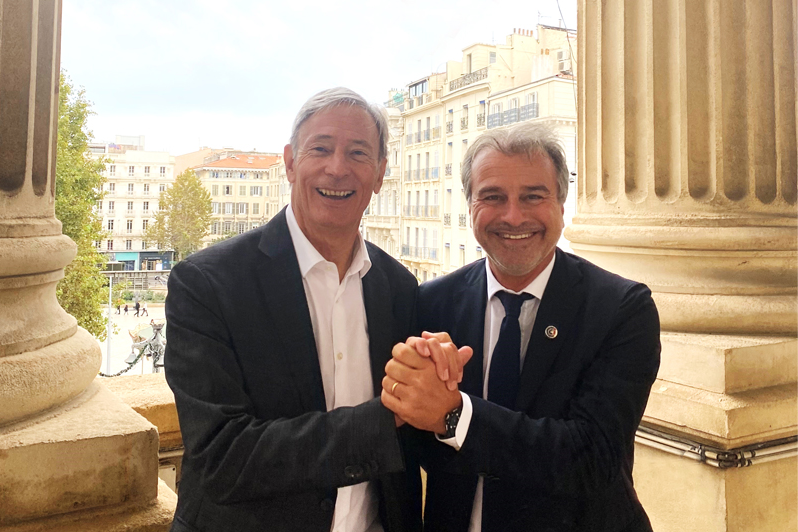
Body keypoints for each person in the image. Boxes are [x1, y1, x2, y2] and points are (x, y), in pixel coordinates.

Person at [165, 88, 461, 532]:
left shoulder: (398, 288)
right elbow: (222, 458)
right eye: (320, 149)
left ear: (380, 174)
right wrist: (388, 416)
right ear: (290, 162)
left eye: (358, 153)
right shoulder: (208, 284)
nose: (337, 168)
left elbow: (412, 448)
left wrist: (435, 384)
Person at [382, 122, 661, 532]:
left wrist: (455, 415)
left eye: (533, 196)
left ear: (562, 206)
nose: (514, 216)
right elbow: (416, 447)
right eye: (493, 197)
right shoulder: (432, 303)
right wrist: (404, 388)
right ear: (470, 206)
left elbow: (593, 458)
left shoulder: (621, 310)